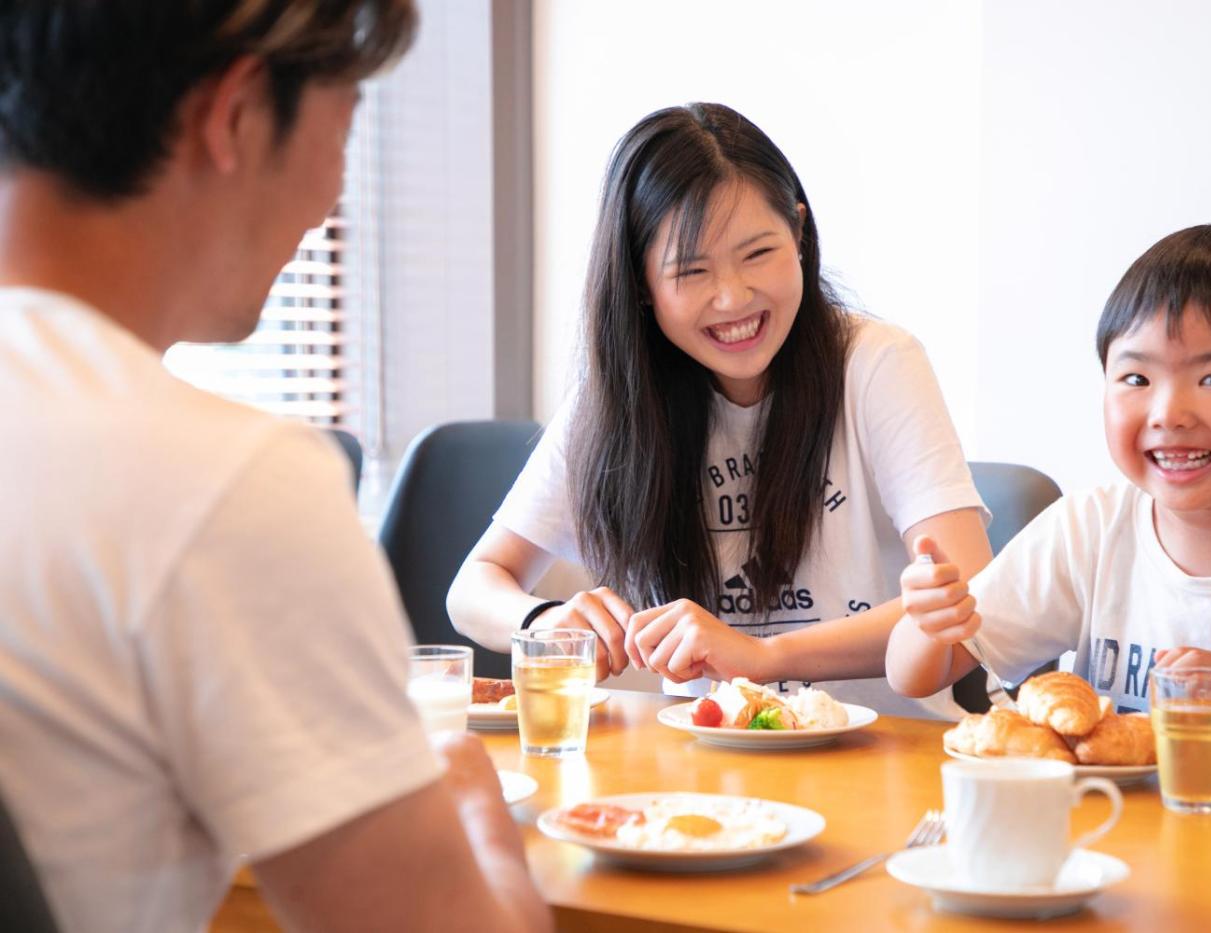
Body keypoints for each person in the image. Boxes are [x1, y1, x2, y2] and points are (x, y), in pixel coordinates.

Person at [0, 4, 549, 932]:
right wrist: (469, 796)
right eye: (345, 128)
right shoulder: (222, 483)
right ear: (239, 114)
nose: (333, 198)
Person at [448, 103, 993, 717]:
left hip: (886, 750)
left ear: (799, 232)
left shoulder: (875, 363)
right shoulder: (618, 400)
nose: (733, 298)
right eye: (692, 270)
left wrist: (763, 656)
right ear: (641, 284)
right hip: (705, 758)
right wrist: (544, 620)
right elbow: (474, 587)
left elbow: (969, 595)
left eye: (757, 254)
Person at [888, 224, 1211, 764]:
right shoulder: (1089, 528)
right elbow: (915, 676)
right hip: (1107, 818)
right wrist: (928, 622)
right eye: (1136, 379)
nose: (1168, 414)